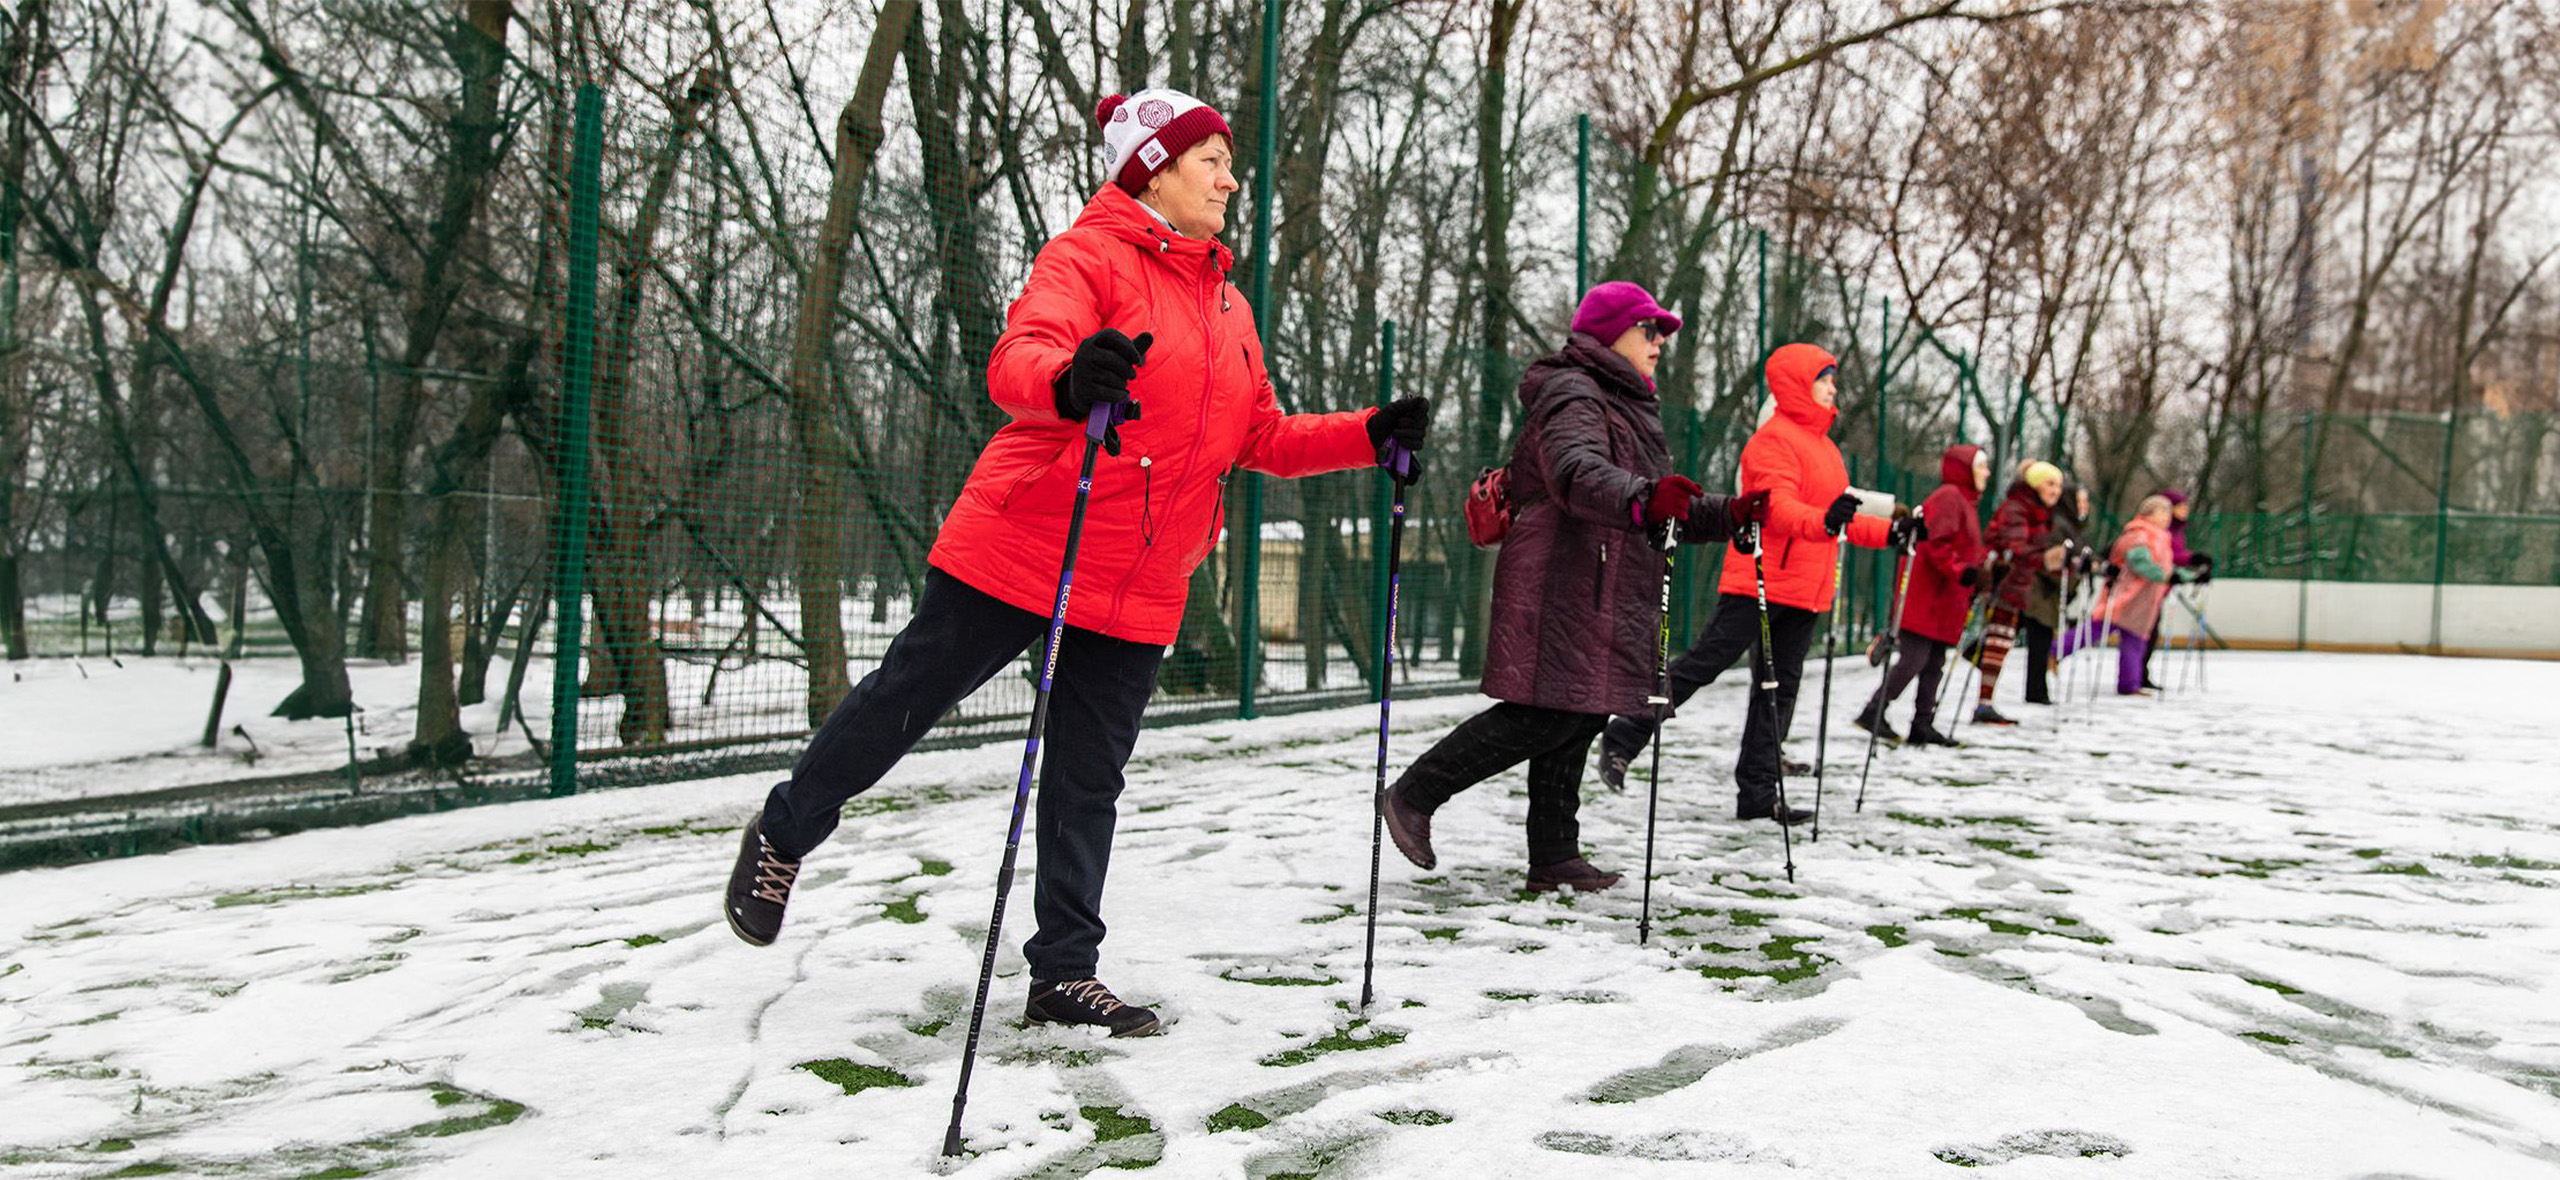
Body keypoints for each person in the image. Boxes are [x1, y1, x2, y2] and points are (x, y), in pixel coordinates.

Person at [721, 89, 1432, 1038]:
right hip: (1027, 541)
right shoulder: (1086, 257)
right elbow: (1019, 356)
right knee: (906, 702)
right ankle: (786, 828)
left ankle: (1064, 975)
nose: (1230, 178)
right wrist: (1068, 379)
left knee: (1087, 778)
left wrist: (1366, 433)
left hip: (1143, 578)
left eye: (1228, 162)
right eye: (1211, 160)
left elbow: (1256, 433)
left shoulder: (1227, 301)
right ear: (1154, 170)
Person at [1379, 283, 1763, 890]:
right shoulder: (1575, 391)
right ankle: (1414, 794)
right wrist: (1646, 500)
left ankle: (1555, 854)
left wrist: (1728, 514)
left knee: (1580, 711)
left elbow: (1658, 504)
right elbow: (1576, 472)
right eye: (1649, 329)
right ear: (1611, 332)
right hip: (1562, 575)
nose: (1660, 341)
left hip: (1601, 576)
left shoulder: (1626, 402)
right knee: (1544, 714)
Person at [1595, 342, 1918, 826]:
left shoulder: (1827, 449)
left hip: (1806, 590)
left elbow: (1838, 519)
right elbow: (1780, 508)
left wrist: (1892, 531)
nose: (1834, 387)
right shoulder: (1773, 441)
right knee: (1703, 666)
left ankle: (1759, 792)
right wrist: (1827, 520)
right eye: (1825, 378)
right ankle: (1625, 734)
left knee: (1778, 691)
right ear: (1798, 385)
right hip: (1760, 580)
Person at [1855, 445, 1988, 747]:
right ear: (1964, 469)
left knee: (1934, 662)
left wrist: (1977, 573)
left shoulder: (1967, 502)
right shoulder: (1950, 497)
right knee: (1914, 659)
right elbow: (1933, 544)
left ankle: (1922, 723)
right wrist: (1962, 571)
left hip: (1944, 599)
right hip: (1926, 594)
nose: (1987, 473)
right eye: (1981, 466)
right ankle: (1873, 711)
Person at [2059, 494, 2194, 695]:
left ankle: (2130, 683)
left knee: (2135, 640)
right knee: (2095, 629)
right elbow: (2139, 561)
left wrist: (2185, 575)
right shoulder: (2140, 532)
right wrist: (2166, 576)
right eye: (2162, 512)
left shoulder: (2161, 535)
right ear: (2149, 513)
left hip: (2145, 601)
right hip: (2126, 595)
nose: (2167, 517)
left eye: (2168, 512)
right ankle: (2054, 652)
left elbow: (2165, 564)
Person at [1969, 461, 2066, 724]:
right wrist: (2047, 559)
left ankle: (1985, 700)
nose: (2056, 490)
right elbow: (2018, 548)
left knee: (2001, 643)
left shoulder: (2036, 512)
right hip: (2004, 582)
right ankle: (1983, 703)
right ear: (2034, 484)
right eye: (2050, 483)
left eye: (2058, 485)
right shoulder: (2018, 509)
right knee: (1998, 641)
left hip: (2017, 585)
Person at [2144, 489, 2215, 688]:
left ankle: (2141, 672)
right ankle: (2137, 673)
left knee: (2151, 632)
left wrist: (2193, 564)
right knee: (2143, 632)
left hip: (2162, 587)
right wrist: (2191, 562)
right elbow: (2168, 557)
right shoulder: (2162, 530)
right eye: (2180, 506)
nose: (2185, 510)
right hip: (2149, 587)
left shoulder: (2176, 531)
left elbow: (2176, 555)